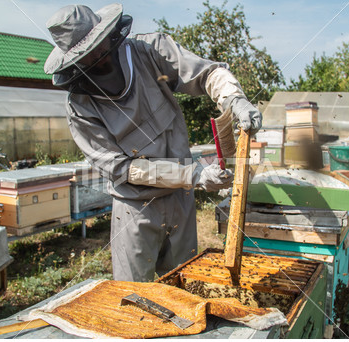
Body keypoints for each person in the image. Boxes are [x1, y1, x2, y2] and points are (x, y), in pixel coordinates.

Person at [44, 3, 262, 282]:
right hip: (135, 209)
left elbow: (207, 73)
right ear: (74, 60)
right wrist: (194, 174)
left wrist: (235, 100)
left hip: (180, 200)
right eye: (88, 55)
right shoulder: (81, 108)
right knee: (136, 298)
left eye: (99, 45)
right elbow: (123, 169)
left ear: (108, 33)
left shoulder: (149, 51)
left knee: (187, 285)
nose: (99, 56)